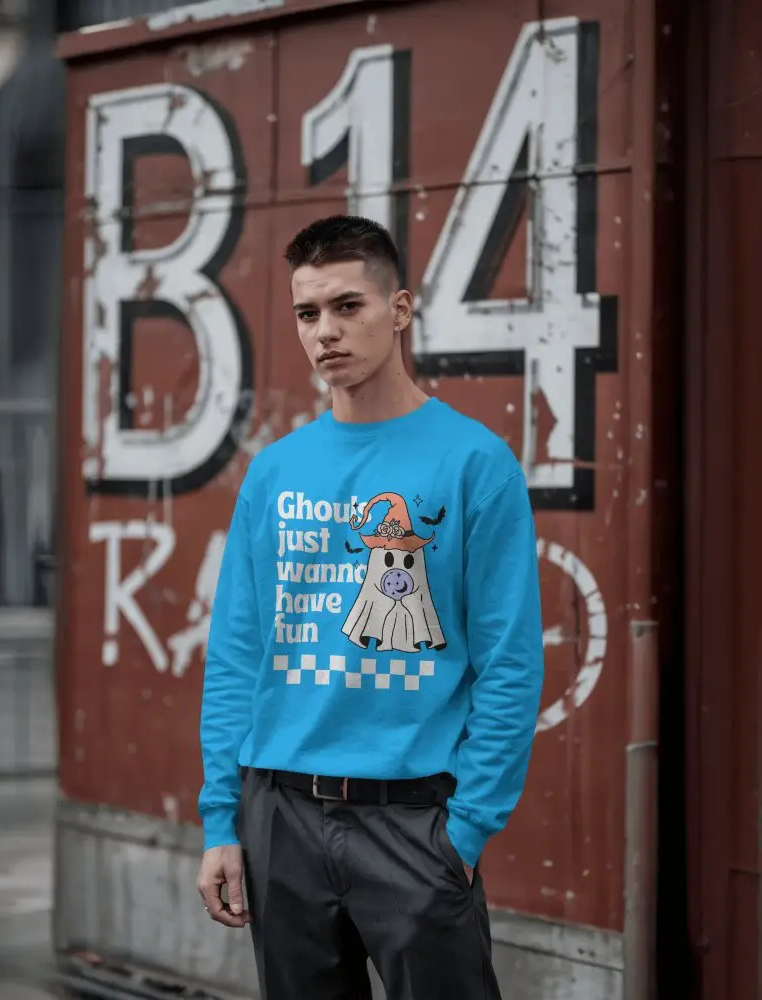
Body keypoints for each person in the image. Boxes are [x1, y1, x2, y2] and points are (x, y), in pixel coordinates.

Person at [197, 215, 545, 1000]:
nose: (326, 332)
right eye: (307, 313)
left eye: (348, 306)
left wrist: (467, 830)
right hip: (279, 815)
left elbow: (510, 661)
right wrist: (224, 822)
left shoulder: (475, 463)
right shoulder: (276, 470)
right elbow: (236, 658)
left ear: (401, 309)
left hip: (415, 823)